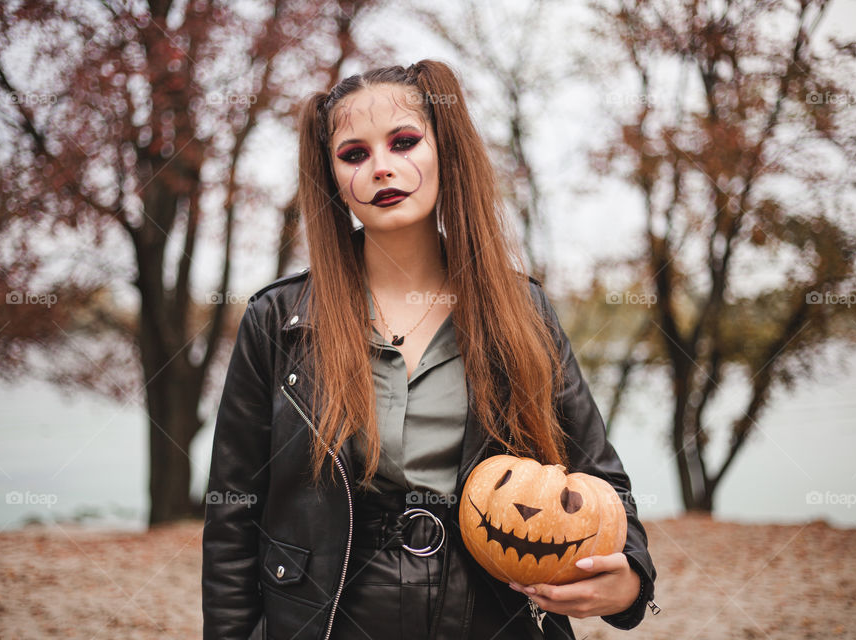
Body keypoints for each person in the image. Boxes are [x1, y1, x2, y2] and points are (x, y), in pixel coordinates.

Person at [202, 59, 657, 640]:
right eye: (354, 154)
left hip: (493, 618)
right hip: (327, 620)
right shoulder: (278, 321)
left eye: (404, 142)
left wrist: (631, 580)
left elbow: (600, 478)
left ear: (446, 150)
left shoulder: (522, 312)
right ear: (333, 177)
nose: (382, 168)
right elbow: (232, 517)